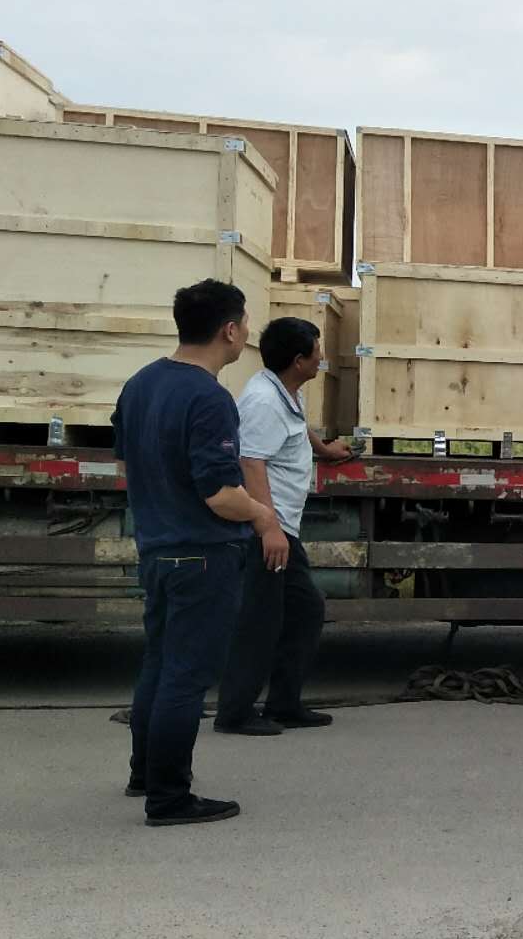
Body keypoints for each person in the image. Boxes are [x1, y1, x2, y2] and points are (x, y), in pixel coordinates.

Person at [114, 280, 287, 827]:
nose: (247, 334)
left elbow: (126, 462)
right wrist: (263, 515)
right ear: (229, 330)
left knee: (159, 664)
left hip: (157, 549)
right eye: (245, 324)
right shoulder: (209, 397)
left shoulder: (140, 384)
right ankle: (169, 797)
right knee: (186, 678)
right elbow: (220, 494)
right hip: (202, 556)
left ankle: (145, 774)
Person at [214, 316, 354, 737]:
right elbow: (250, 463)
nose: (321, 358)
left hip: (282, 526)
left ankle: (284, 704)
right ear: (298, 361)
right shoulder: (263, 401)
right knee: (261, 620)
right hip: (266, 530)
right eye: (317, 351)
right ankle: (235, 713)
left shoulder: (284, 390)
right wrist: (268, 529)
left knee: (304, 610)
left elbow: (294, 425)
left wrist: (323, 449)